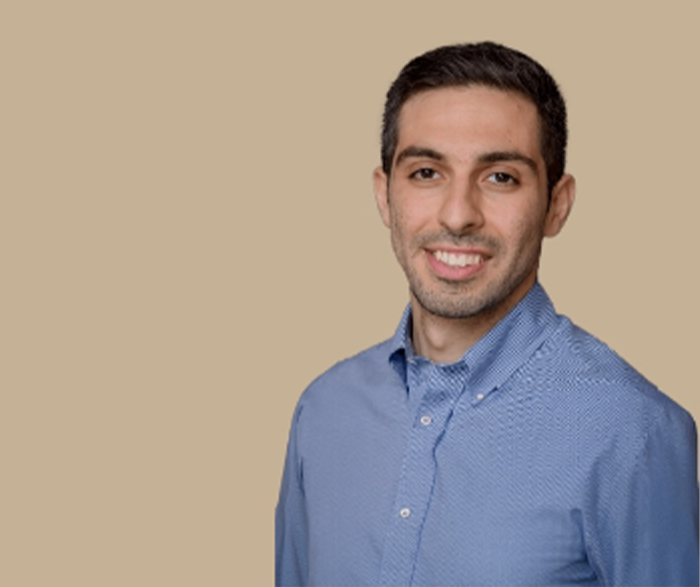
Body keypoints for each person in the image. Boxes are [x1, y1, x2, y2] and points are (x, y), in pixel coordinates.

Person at [275, 42, 699, 587]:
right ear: (385, 196)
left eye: (500, 177)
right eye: (426, 172)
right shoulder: (323, 411)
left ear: (557, 205)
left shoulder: (632, 434)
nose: (458, 215)